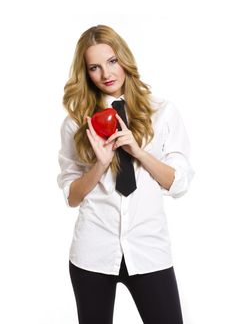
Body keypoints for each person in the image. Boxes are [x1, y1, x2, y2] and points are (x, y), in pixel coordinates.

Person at [57, 24, 195, 324]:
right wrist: (100, 164)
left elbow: (179, 183)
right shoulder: (76, 124)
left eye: (112, 61)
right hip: (93, 252)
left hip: (148, 250)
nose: (106, 74)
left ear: (124, 59)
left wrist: (139, 152)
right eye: (94, 67)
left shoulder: (162, 112)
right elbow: (71, 196)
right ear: (86, 73)